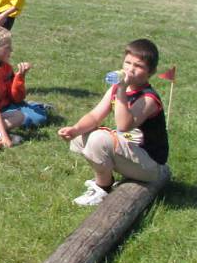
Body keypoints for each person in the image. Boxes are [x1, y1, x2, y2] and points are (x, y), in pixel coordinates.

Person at [58, 39, 169, 206]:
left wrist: (122, 90)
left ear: (150, 72)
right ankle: (105, 176)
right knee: (80, 136)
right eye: (128, 63)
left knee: (98, 139)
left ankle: (103, 187)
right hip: (131, 152)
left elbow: (124, 126)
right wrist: (75, 129)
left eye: (138, 66)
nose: (130, 69)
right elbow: (95, 116)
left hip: (149, 165)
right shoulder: (116, 89)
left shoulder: (148, 99)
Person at [0, 25, 50, 128]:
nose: (12, 50)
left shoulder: (6, 67)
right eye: (8, 47)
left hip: (10, 105)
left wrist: (20, 77)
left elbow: (16, 98)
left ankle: (33, 107)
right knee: (37, 118)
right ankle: (32, 108)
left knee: (40, 116)